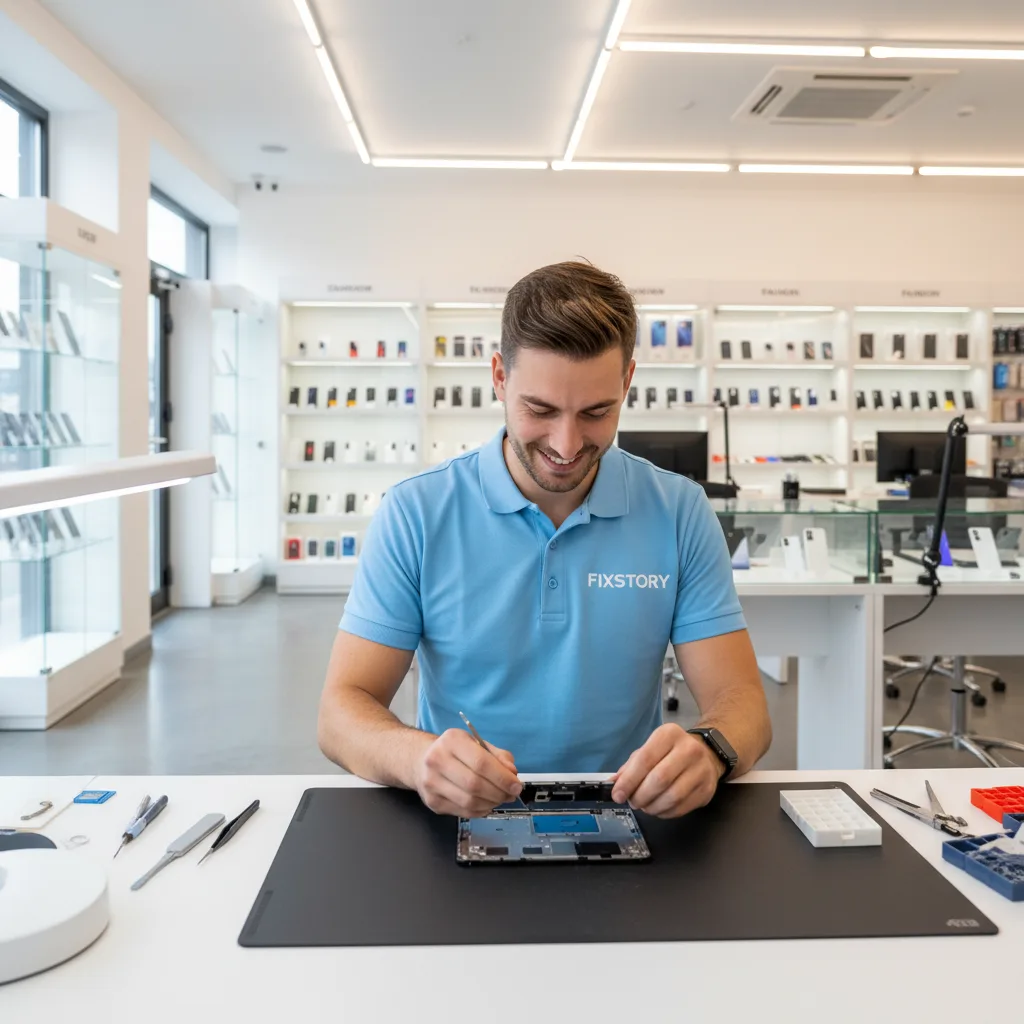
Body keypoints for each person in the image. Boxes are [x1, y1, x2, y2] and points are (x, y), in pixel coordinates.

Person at [318, 260, 771, 819]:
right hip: (459, 820)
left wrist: (710, 750)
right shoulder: (415, 513)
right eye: (541, 410)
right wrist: (418, 759)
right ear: (499, 378)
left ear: (627, 382)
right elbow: (341, 711)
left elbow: (743, 703)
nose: (567, 443)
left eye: (596, 412)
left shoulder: (680, 510)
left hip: (629, 817)